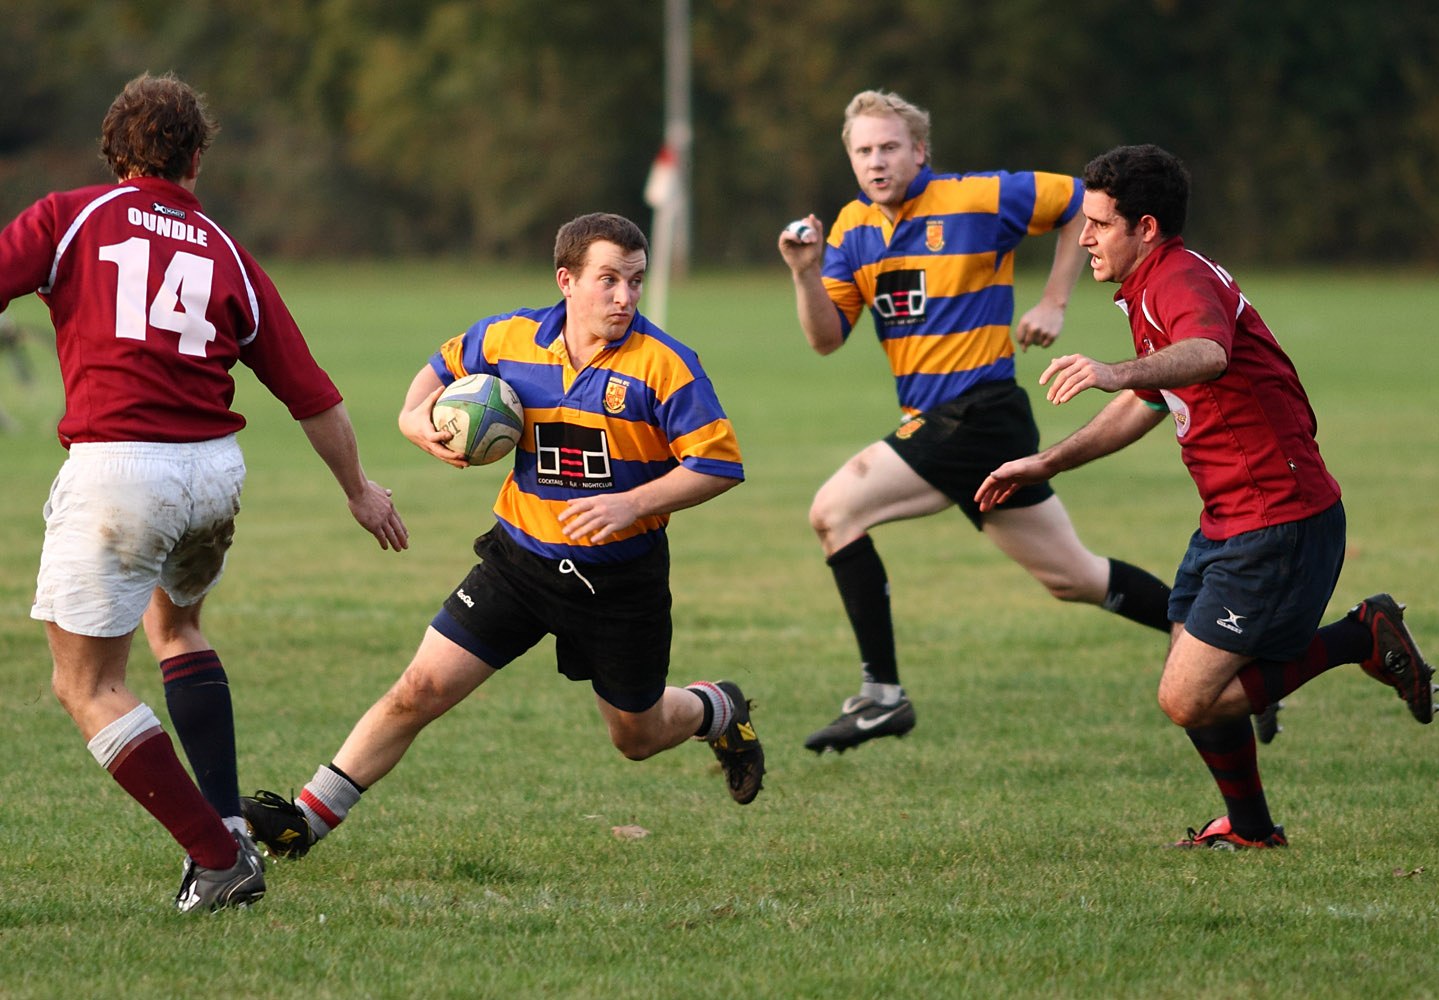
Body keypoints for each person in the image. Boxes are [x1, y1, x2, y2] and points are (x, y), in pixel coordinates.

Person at [0, 72, 409, 911]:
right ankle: (228, 824)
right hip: (212, 474)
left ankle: (218, 860)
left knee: (85, 685)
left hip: (121, 474)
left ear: (114, 152)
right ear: (196, 159)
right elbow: (312, 393)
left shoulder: (68, 216)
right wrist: (360, 490)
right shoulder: (225, 250)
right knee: (176, 626)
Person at [239, 212, 763, 861]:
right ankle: (305, 821)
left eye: (635, 280)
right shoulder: (509, 338)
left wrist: (632, 503)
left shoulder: (666, 366)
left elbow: (717, 464)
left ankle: (719, 709)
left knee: (637, 736)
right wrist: (412, 418)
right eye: (608, 280)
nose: (625, 296)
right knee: (419, 689)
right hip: (520, 561)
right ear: (566, 280)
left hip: (620, 581)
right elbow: (441, 366)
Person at [975, 143, 1438, 848]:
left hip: (1276, 514)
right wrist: (1048, 462)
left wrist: (1112, 370)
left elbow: (1208, 353)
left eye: (1099, 224)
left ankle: (1360, 636)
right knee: (1188, 666)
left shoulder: (1178, 280)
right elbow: (1149, 401)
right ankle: (1251, 829)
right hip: (1229, 515)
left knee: (1188, 698)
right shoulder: (1148, 286)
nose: (1085, 237)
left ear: (1146, 228)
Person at [777, 90, 1181, 754]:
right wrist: (805, 274)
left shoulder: (977, 197)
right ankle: (1222, 646)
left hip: (977, 414)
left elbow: (1080, 202)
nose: (876, 161)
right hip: (951, 426)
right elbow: (825, 339)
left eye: (889, 147)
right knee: (1074, 578)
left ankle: (882, 697)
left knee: (834, 510)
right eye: (863, 150)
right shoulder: (850, 229)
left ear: (919, 151)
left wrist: (1053, 301)